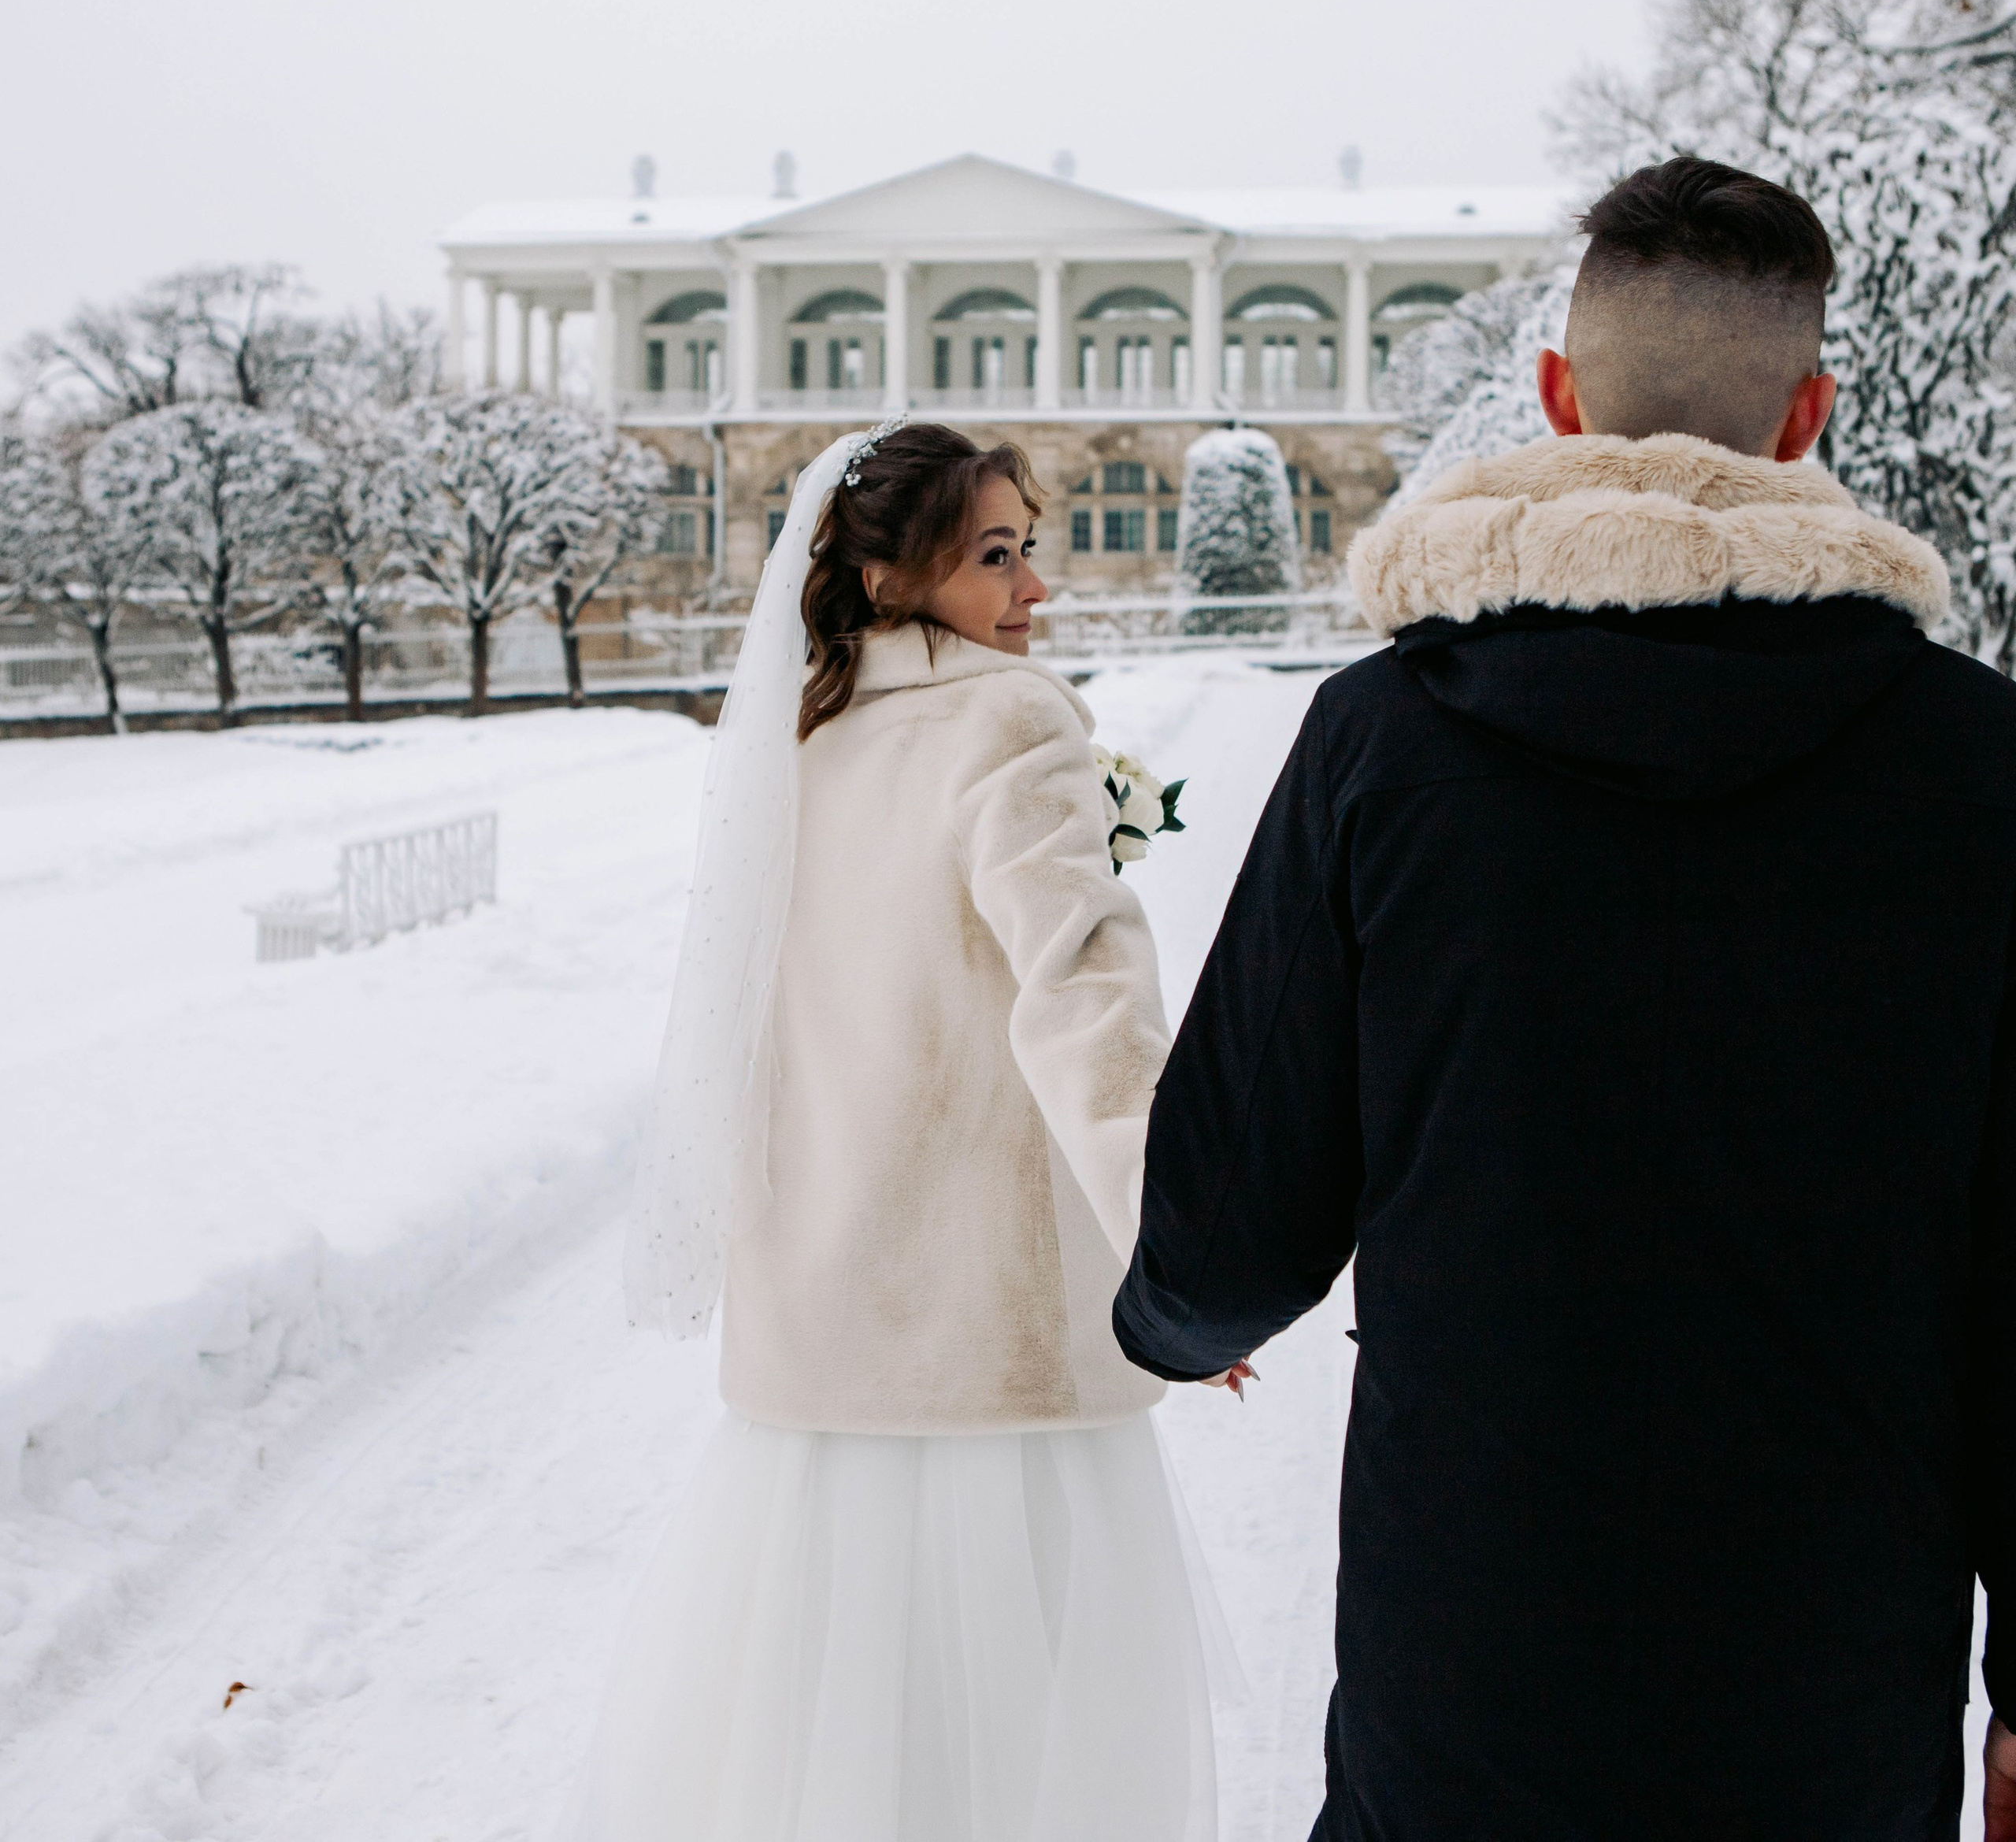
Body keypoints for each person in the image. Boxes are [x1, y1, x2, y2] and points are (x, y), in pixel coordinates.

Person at [1114, 156, 2016, 1840]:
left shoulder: (1381, 742)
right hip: (1831, 1661)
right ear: (1805, 411)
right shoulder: (1976, 764)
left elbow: (1234, 1211)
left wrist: (1171, 1322)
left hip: (1471, 1647)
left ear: (1553, 397)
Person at [566, 421, 1235, 1842]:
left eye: (1030, 549)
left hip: (827, 1314)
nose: (1033, 590)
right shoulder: (1007, 721)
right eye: (995, 557)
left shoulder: (798, 744)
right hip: (988, 1328)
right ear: (885, 576)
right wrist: (1177, 1246)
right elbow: (1085, 999)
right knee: (1023, 1741)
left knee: (831, 1735)